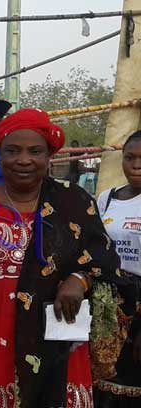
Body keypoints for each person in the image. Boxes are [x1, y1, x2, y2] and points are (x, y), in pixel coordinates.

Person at [0, 108, 122, 408]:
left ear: (49, 157)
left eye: (35, 151)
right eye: (12, 151)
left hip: (56, 338)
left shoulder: (74, 201)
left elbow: (104, 260)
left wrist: (78, 279)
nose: (24, 160)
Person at [94, 131, 141, 407]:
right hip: (109, 303)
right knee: (105, 379)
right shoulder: (107, 199)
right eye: (129, 157)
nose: (136, 165)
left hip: (139, 302)